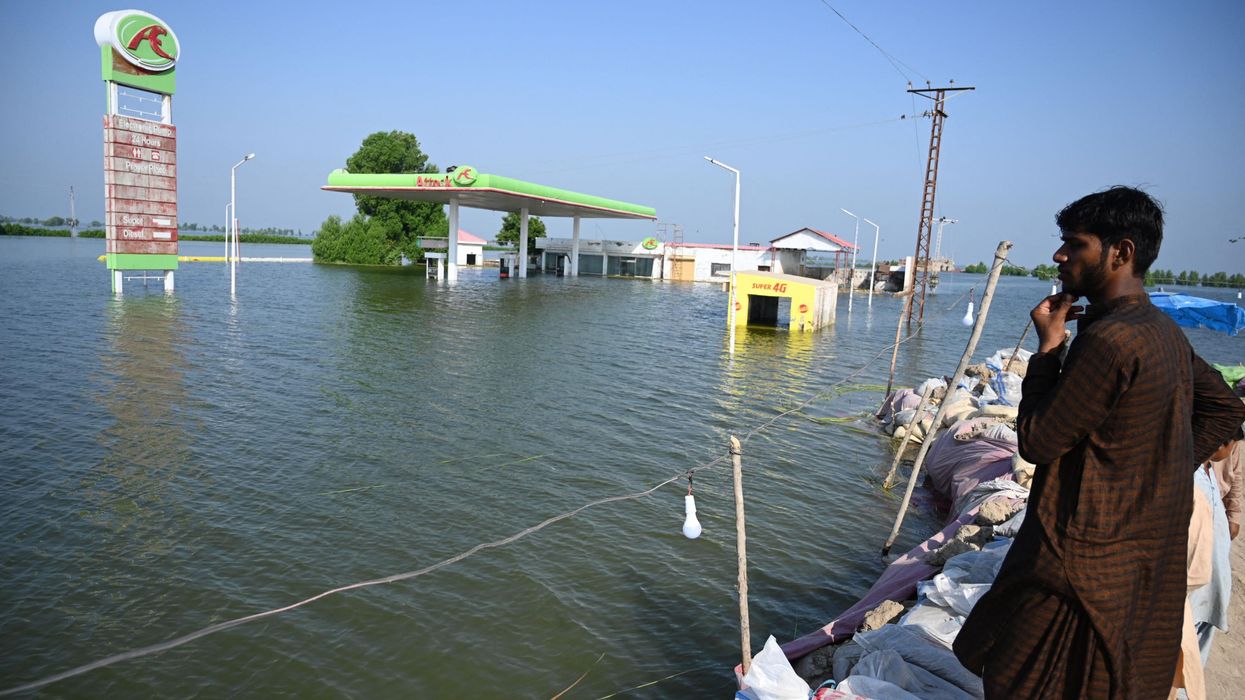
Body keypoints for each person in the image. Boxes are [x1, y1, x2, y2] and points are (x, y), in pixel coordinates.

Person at [952, 186, 1245, 698]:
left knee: (1020, 677)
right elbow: (1226, 407)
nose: (1059, 256)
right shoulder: (1158, 330)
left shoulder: (1111, 341)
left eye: (1074, 244)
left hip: (1078, 564)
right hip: (1131, 563)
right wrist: (1156, 477)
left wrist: (1047, 350)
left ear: (1121, 252)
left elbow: (1038, 442)